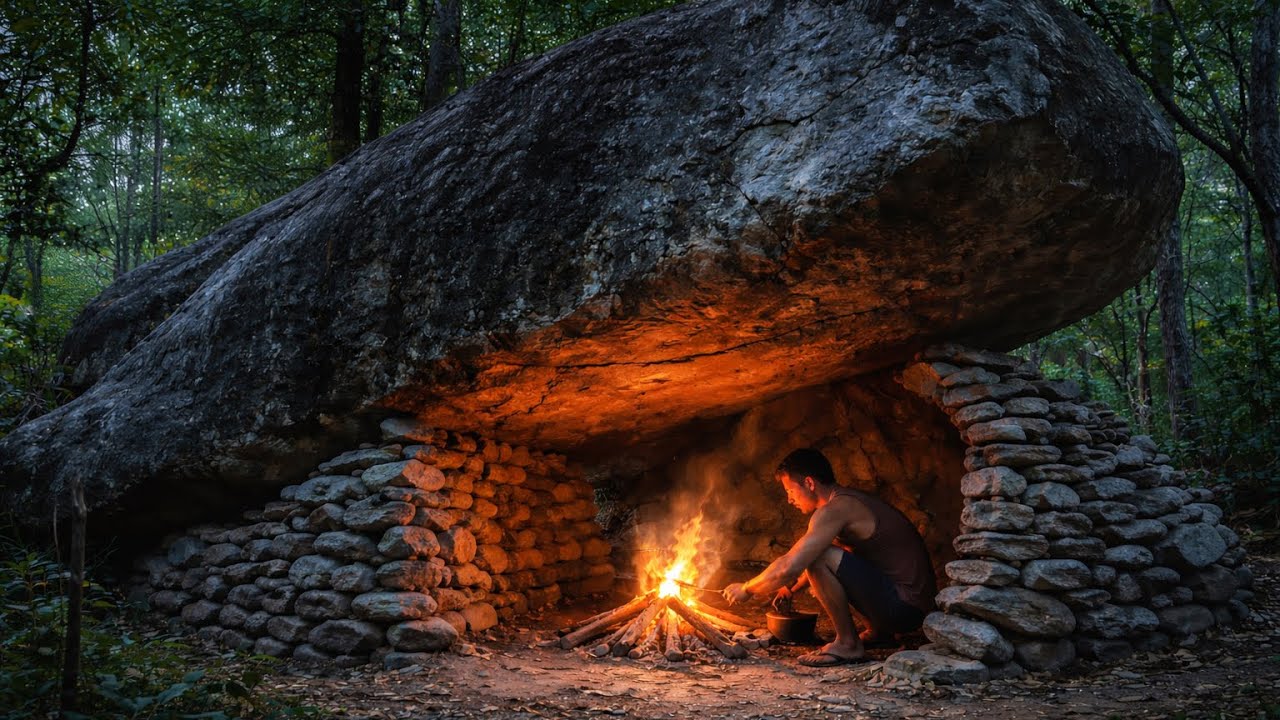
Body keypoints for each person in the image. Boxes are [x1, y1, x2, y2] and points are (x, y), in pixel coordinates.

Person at [722, 448, 936, 666]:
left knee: (818, 556)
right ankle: (878, 632)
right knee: (822, 553)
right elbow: (837, 563)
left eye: (790, 491)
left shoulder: (835, 509)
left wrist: (747, 588)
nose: (789, 500)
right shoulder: (844, 504)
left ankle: (847, 644)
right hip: (905, 605)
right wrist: (790, 589)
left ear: (809, 483)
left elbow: (791, 565)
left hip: (904, 608)